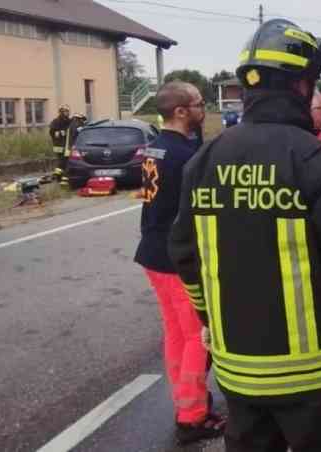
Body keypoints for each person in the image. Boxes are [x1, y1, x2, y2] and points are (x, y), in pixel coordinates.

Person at [168, 19, 321, 451]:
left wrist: (208, 322)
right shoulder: (318, 161)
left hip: (238, 376)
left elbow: (187, 257)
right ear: (300, 86)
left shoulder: (203, 161)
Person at [133, 81, 224, 444]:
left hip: (152, 250)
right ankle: (192, 416)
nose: (205, 110)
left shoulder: (156, 147)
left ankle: (186, 401)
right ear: (182, 112)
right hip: (176, 257)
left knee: (176, 334)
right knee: (197, 337)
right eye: (200, 104)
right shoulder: (187, 156)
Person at [49, 105, 72, 184]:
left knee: (65, 162)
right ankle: (58, 177)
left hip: (67, 145)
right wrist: (60, 133)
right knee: (62, 161)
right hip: (59, 146)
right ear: (61, 112)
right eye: (65, 111)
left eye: (68, 111)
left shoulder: (69, 121)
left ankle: (62, 177)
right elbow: (52, 133)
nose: (67, 113)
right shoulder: (56, 121)